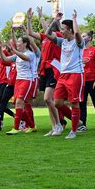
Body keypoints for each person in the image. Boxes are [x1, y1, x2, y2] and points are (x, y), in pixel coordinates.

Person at [26, 8, 63, 136]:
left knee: (48, 98)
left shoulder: (57, 36)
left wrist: (44, 16)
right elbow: (30, 32)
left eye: (48, 23)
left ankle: (58, 124)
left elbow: (48, 29)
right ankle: (54, 127)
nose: (45, 24)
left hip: (54, 68)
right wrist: (29, 19)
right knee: (49, 101)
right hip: (44, 69)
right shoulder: (44, 38)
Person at [51, 10, 85, 139]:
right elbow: (48, 34)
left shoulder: (78, 42)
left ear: (70, 30)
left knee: (74, 103)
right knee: (57, 103)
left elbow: (77, 33)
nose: (62, 31)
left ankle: (74, 131)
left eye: (64, 29)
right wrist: (55, 20)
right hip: (63, 75)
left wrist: (74, 19)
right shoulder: (62, 41)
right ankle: (78, 122)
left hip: (76, 74)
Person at [0, 33, 36, 135]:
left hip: (27, 80)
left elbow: (25, 58)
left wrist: (14, 50)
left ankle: (16, 128)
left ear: (25, 44)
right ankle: (32, 126)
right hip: (18, 81)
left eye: (19, 41)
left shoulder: (30, 54)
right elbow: (5, 59)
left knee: (19, 103)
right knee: (17, 105)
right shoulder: (17, 55)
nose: (17, 43)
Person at [80, 31, 95, 131]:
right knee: (82, 103)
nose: (82, 38)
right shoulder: (79, 50)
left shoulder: (94, 51)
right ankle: (83, 125)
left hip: (93, 80)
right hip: (82, 81)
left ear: (89, 38)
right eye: (81, 36)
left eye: (84, 36)